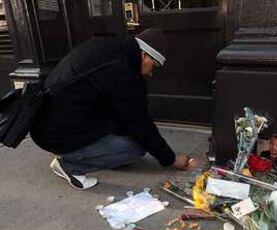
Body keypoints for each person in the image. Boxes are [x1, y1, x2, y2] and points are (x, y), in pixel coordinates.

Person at [30, 29, 193, 190]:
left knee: (123, 127)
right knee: (136, 148)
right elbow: (141, 125)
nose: (151, 74)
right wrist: (171, 159)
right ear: (144, 55)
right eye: (154, 66)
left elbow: (118, 110)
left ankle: (72, 151)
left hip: (45, 123)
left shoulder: (108, 48)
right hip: (58, 135)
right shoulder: (125, 75)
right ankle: (69, 165)